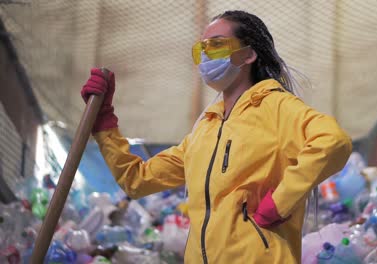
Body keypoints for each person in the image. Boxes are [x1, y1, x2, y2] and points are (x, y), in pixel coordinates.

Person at [81, 10, 352, 264]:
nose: (206, 55)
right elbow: (137, 180)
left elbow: (332, 142)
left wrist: (280, 203)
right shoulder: (206, 129)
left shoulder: (275, 106)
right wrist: (104, 123)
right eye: (201, 49)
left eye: (217, 45)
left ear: (248, 55)